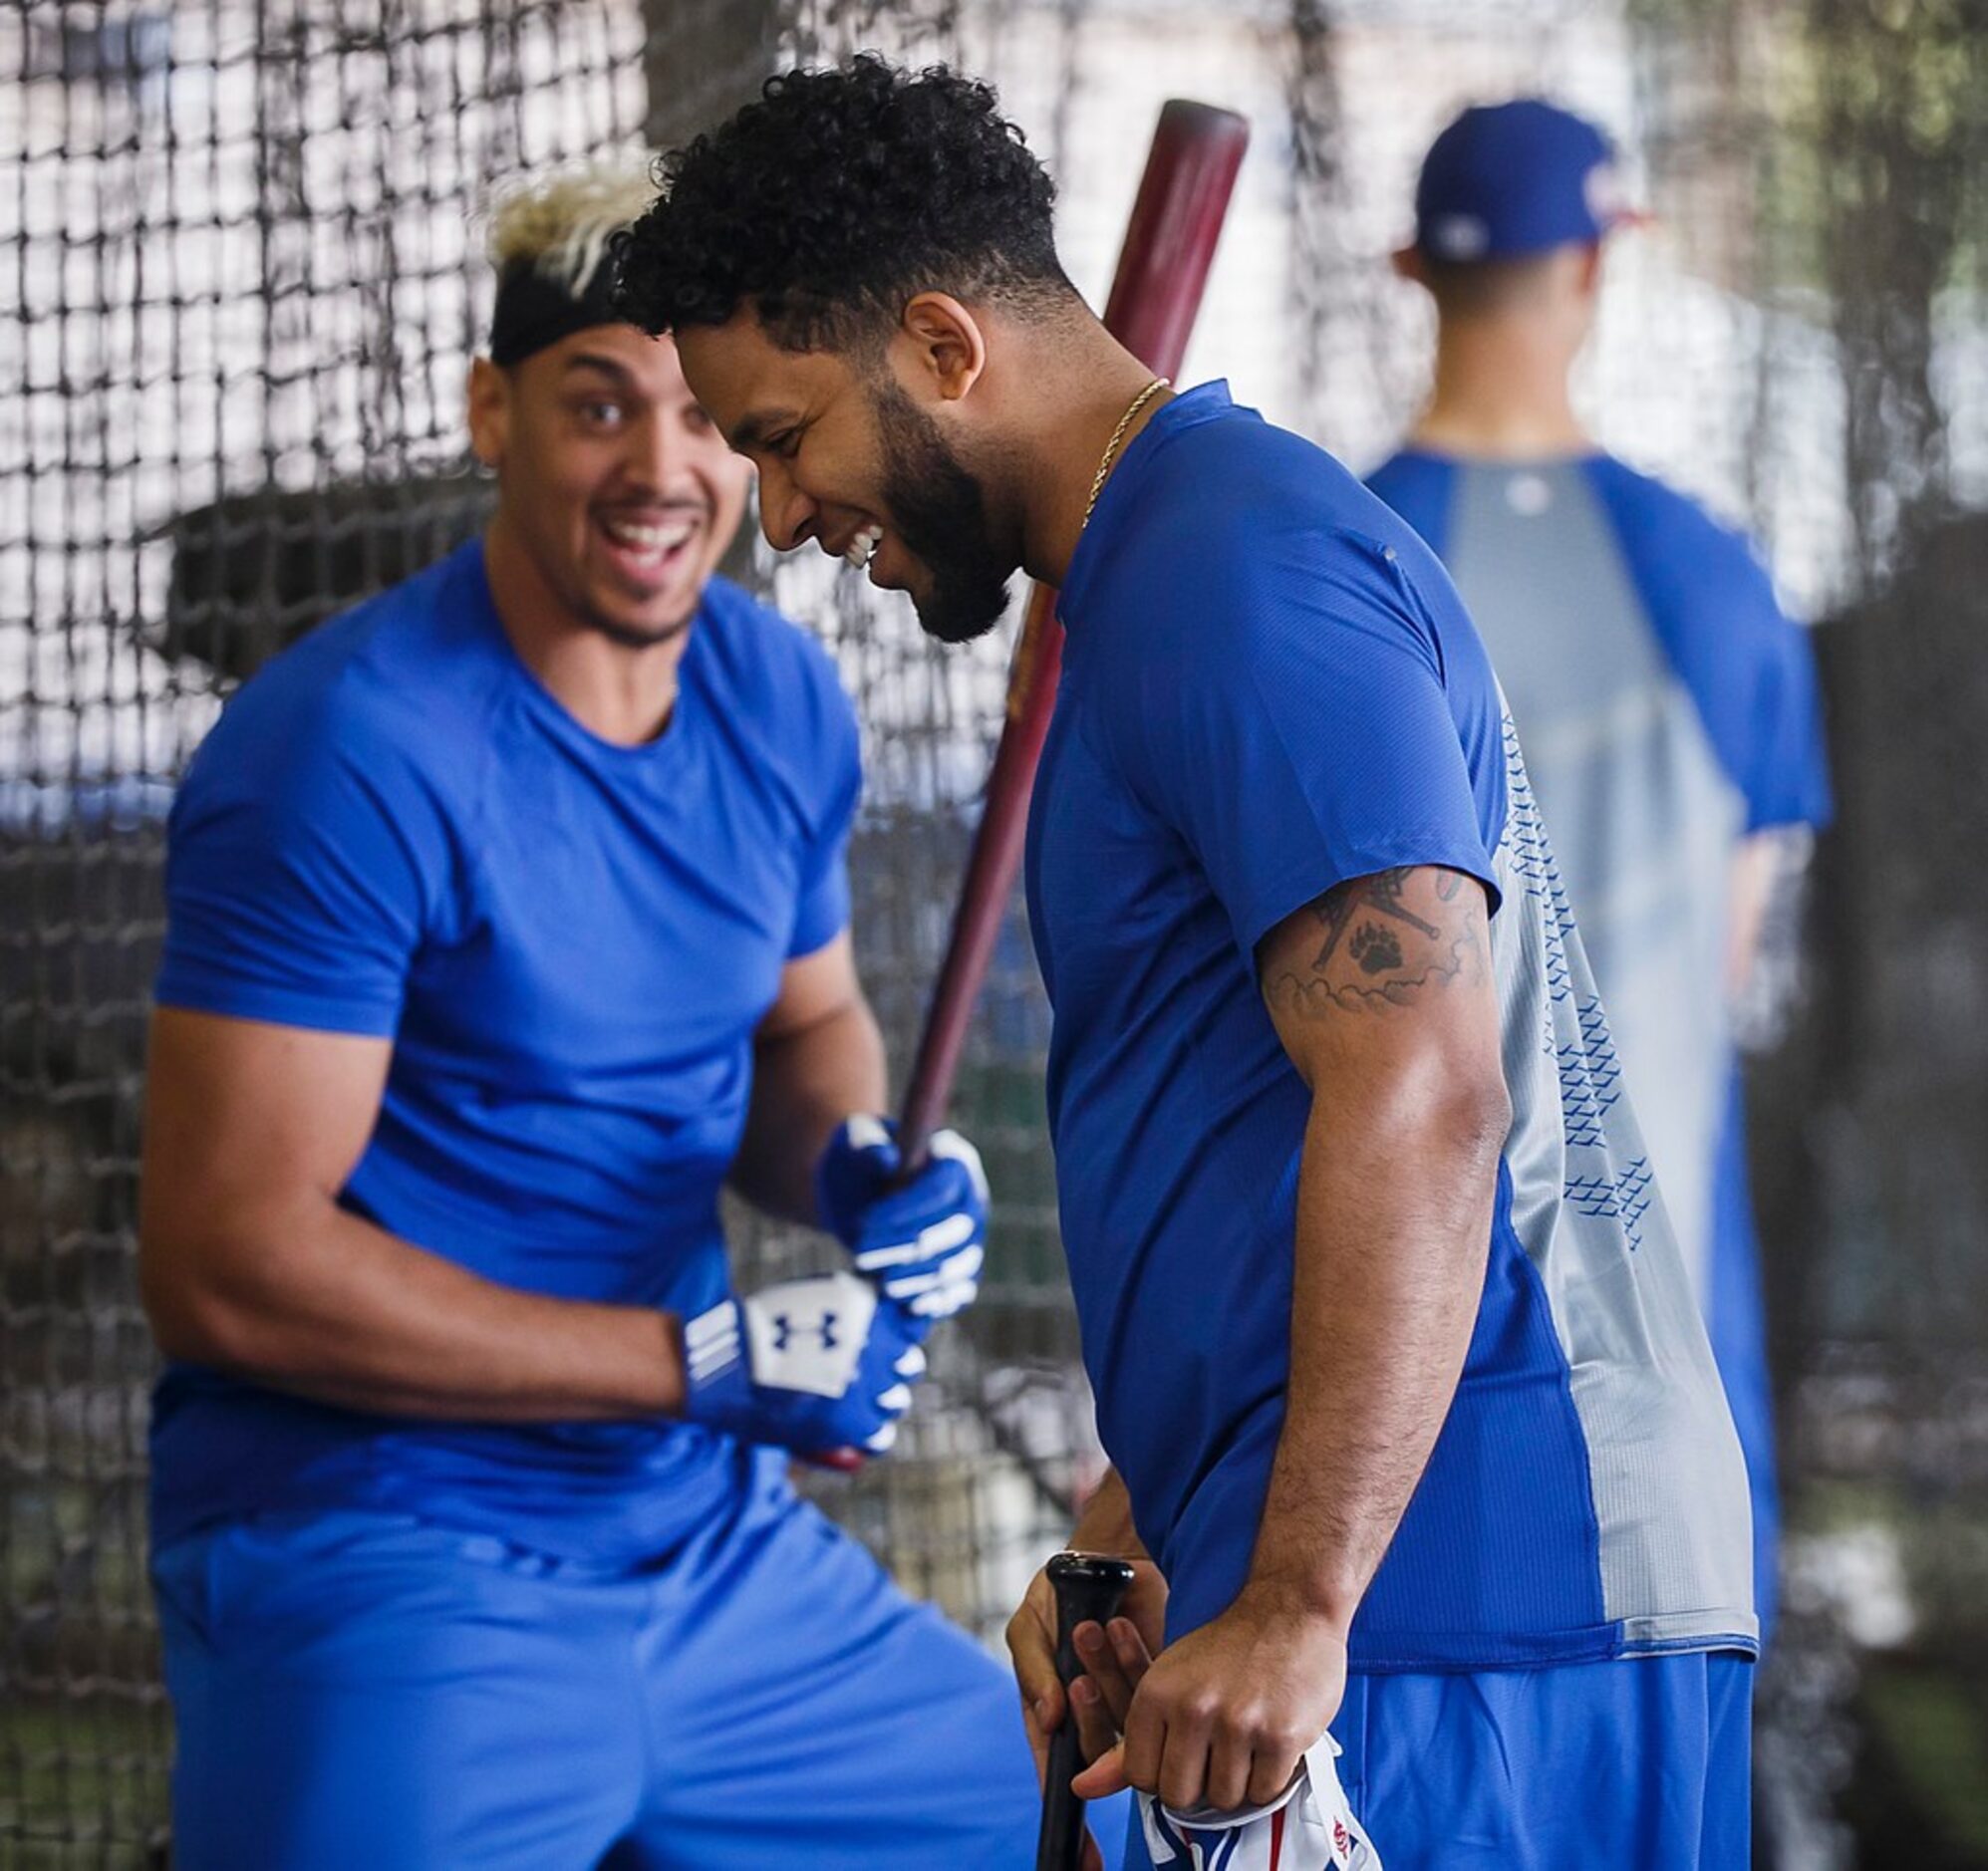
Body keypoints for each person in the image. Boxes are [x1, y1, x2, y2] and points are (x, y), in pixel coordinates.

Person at [618, 57, 1763, 1870]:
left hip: (1462, 1600)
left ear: (938, 344)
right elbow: (1259, 1130)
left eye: (778, 433)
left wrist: (1299, 1594)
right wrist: (1143, 1519)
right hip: (1391, 1580)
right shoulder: (1162, 574)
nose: (783, 515)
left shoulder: (1238, 567)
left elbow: (1424, 1086)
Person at [138, 156, 1071, 1871]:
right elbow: (224, 1265)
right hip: (387, 1549)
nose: (662, 471)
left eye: (703, 416)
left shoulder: (776, 692)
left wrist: (861, 1165)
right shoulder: (341, 752)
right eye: (595, 407)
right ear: (492, 413)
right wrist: (696, 1358)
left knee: (1075, 1833)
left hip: (705, 1542)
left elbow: (800, 1045)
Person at [1367, 99, 1834, 1639]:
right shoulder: (1709, 576)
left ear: (1410, 270)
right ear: (1593, 268)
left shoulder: (1342, 560)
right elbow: (1722, 961)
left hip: (1381, 1394)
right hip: (1664, 1397)